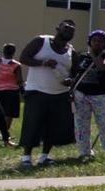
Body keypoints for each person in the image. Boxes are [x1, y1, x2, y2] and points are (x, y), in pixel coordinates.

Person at [18, 20, 78, 167]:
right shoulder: (41, 41)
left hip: (60, 93)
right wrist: (43, 63)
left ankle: (44, 156)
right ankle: (26, 157)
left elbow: (75, 73)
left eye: (72, 30)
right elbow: (23, 58)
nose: (68, 31)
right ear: (58, 28)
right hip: (37, 90)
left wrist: (70, 81)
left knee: (53, 126)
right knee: (33, 123)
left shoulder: (72, 52)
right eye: (66, 28)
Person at [70, 29, 105, 161]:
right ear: (89, 42)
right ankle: (85, 152)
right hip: (81, 94)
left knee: (104, 123)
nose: (97, 43)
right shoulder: (81, 57)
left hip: (100, 95)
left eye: (100, 41)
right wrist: (71, 88)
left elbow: (101, 67)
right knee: (81, 124)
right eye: (94, 41)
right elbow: (75, 74)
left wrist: (93, 55)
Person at [0, 43, 24, 140]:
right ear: (14, 52)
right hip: (11, 91)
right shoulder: (16, 65)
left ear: (3, 51)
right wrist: (22, 87)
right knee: (9, 113)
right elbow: (19, 80)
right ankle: (5, 133)